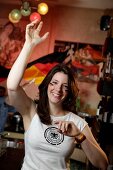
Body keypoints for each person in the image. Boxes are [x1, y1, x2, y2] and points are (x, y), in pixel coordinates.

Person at [7, 20, 108, 170]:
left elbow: (102, 164)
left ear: (68, 93)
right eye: (54, 83)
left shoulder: (77, 123)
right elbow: (12, 86)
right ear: (47, 85)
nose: (58, 89)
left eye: (64, 86)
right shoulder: (31, 112)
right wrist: (29, 46)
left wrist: (79, 135)